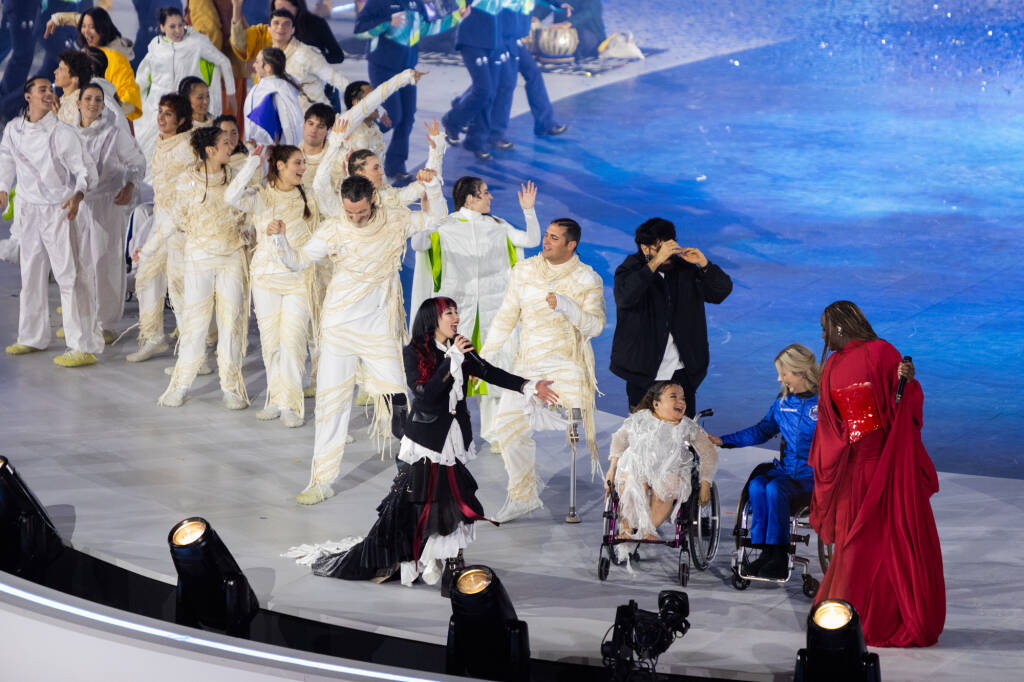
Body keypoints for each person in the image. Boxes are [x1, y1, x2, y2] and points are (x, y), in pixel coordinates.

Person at [304, 297, 557, 587]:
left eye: (455, 311)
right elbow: (425, 393)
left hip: (453, 440)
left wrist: (527, 385)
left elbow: (488, 371)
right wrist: (451, 361)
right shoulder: (414, 352)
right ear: (432, 318)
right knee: (431, 503)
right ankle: (443, 564)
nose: (456, 317)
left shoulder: (458, 345)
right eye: (448, 312)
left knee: (451, 500)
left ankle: (450, 562)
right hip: (426, 442)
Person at [268, 172, 445, 504]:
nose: (356, 219)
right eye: (350, 213)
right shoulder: (334, 228)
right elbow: (298, 261)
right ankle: (321, 479)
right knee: (330, 406)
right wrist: (279, 240)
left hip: (378, 329)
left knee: (400, 396)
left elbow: (435, 219)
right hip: (338, 328)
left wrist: (433, 186)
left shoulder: (395, 220)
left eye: (361, 213)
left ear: (373, 199)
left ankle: (419, 469)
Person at [809, 301, 945, 647]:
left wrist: (908, 381)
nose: (823, 335)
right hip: (856, 470)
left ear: (840, 326)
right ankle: (856, 616)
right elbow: (833, 423)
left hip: (881, 469)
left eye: (826, 328)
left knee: (876, 544)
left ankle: (863, 617)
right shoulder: (836, 364)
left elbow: (902, 405)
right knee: (857, 546)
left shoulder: (881, 353)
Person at [481, 217, 605, 522]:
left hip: (567, 365)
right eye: (546, 235)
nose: (545, 242)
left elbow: (596, 326)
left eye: (553, 238)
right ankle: (523, 496)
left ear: (570, 245)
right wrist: (481, 358)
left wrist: (567, 305)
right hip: (526, 366)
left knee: (573, 415)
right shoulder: (524, 271)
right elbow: (507, 316)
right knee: (507, 428)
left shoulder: (587, 279)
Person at [410, 176, 540, 447]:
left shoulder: (497, 225)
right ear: (470, 198)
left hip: (494, 311)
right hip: (459, 314)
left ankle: (494, 433)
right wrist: (430, 217)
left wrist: (529, 211)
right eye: (485, 193)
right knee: (453, 371)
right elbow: (418, 244)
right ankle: (450, 428)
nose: (490, 197)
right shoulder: (446, 227)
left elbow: (530, 239)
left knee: (495, 366)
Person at [0, 77, 103, 367]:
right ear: (27, 95)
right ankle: (31, 337)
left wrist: (78, 194)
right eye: (42, 89)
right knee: (30, 275)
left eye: (50, 89)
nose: (49, 93)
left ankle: (81, 344)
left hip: (61, 210)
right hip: (30, 211)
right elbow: (5, 159)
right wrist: (3, 188)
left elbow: (85, 170)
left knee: (69, 277)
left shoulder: (63, 132)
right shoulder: (13, 130)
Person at [225, 143, 319, 427]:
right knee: (271, 343)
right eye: (297, 163)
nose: (303, 168)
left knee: (292, 341)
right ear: (279, 166)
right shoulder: (261, 197)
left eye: (303, 163)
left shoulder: (310, 197)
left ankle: (292, 404)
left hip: (298, 279)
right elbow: (231, 196)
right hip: (265, 277)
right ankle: (277, 399)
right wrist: (252, 165)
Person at [158, 126, 250, 410]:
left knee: (231, 322)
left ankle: (231, 387)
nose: (230, 145)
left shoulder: (236, 177)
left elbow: (247, 212)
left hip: (232, 258)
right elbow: (176, 216)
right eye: (225, 142)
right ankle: (181, 384)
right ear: (210, 150)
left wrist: (243, 234)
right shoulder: (186, 181)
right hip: (199, 259)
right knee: (195, 323)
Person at [709, 344, 820, 579]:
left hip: (813, 477)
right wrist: (723, 440)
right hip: (788, 471)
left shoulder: (824, 403)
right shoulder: (783, 402)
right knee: (758, 485)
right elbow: (762, 431)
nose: (780, 378)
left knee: (774, 489)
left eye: (784, 372)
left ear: (799, 371)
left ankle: (779, 556)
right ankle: (764, 553)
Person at [610, 217, 732, 417]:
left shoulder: (685, 269)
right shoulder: (629, 269)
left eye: (668, 248)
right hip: (643, 372)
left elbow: (720, 292)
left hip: (682, 372)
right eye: (659, 250)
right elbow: (625, 297)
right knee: (644, 437)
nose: (666, 256)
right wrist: (655, 263)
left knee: (682, 435)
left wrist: (704, 265)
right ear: (644, 248)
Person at [354, 0, 469, 184]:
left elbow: (426, 28)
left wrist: (456, 18)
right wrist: (387, 22)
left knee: (407, 118)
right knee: (393, 116)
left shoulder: (416, 3)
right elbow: (359, 30)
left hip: (408, 70)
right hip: (383, 66)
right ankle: (356, 144)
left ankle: (396, 166)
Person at [605, 381, 717, 558]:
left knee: (667, 486)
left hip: (670, 470)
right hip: (637, 466)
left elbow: (709, 453)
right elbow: (619, 440)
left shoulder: (687, 426)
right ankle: (627, 530)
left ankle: (646, 529)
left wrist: (705, 483)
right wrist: (612, 469)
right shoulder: (639, 419)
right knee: (633, 481)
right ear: (656, 404)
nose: (681, 402)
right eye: (674, 397)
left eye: (683, 398)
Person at [75, 83, 147, 344]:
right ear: (78, 103)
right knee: (79, 261)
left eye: (98, 99)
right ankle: (82, 318)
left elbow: (137, 162)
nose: (93, 103)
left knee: (106, 260)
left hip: (108, 202)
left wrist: (130, 186)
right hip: (77, 205)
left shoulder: (114, 133)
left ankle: (105, 322)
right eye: (88, 98)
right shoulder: (68, 133)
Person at [127, 93, 195, 363]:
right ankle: (153, 337)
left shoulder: (188, 147)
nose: (161, 118)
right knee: (146, 278)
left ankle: (192, 354)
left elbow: (192, 189)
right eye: (160, 112)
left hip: (181, 229)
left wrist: (180, 225)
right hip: (160, 225)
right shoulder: (159, 143)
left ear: (180, 120)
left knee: (180, 290)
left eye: (168, 114)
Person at [135, 7, 236, 160]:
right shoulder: (155, 46)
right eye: (172, 26)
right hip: (156, 106)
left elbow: (223, 61)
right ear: (162, 27)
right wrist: (131, 99)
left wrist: (231, 92)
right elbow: (142, 76)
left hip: (184, 105)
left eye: (180, 25)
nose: (178, 30)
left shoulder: (196, 43)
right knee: (152, 149)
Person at [230, 3, 348, 111]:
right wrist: (236, 8)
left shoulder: (309, 44)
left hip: (312, 106)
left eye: (286, 22)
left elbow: (336, 70)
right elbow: (239, 43)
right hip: (272, 108)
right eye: (276, 22)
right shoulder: (263, 34)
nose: (280, 27)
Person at [488, 0, 568, 148]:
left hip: (514, 37)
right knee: (502, 83)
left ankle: (544, 123)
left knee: (533, 74)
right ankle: (494, 134)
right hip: (500, 37)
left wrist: (558, 4)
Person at [45, 7, 143, 119]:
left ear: (103, 29)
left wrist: (104, 113)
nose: (85, 31)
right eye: (83, 26)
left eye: (92, 27)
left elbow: (130, 97)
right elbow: (82, 20)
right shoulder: (92, 47)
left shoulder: (116, 59)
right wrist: (57, 19)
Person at [441, 0, 507, 161]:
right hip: (472, 37)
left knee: (489, 94)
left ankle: (476, 141)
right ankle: (452, 121)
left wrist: (559, 3)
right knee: (484, 90)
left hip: (495, 39)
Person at [242, 46, 305, 146]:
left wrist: (288, 154)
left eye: (257, 62)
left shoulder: (278, 91)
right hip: (257, 152)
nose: (254, 65)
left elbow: (290, 126)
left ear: (268, 67)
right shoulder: (261, 88)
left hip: (272, 154)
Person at [533, 0, 605, 60]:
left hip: (589, 34)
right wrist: (536, 16)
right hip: (560, 38)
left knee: (584, 39)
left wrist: (569, 23)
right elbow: (547, 4)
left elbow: (589, 12)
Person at [54, 49, 94, 124]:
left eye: (61, 69)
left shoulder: (76, 105)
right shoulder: (65, 99)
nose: (55, 72)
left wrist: (54, 116)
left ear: (75, 79)